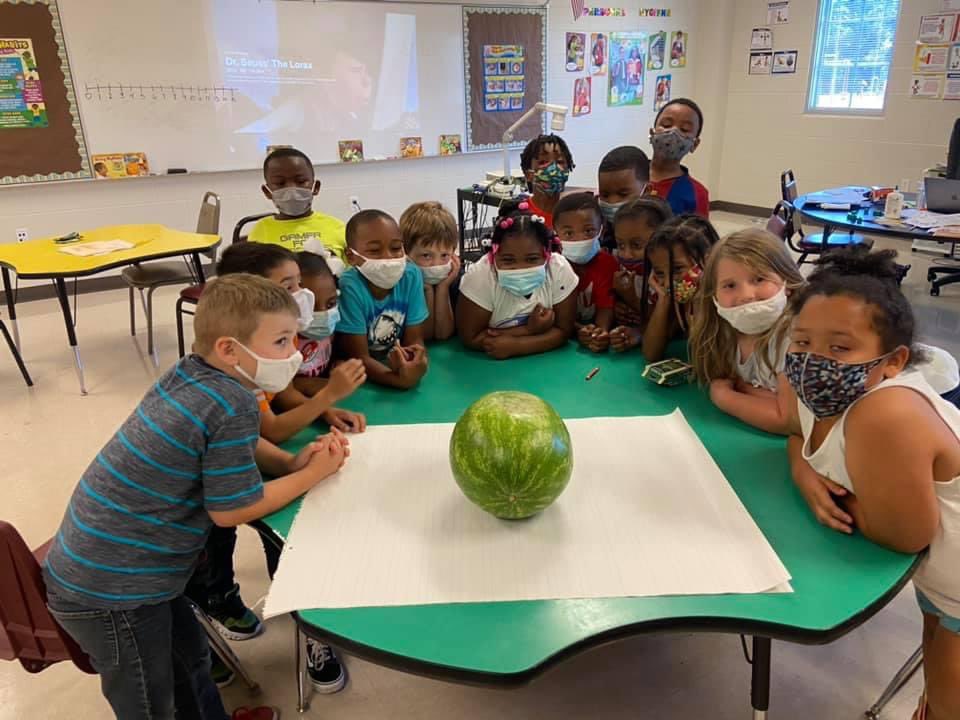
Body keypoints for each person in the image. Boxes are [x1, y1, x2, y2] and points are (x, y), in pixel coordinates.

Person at [43, 274, 349, 720]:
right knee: (152, 701)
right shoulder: (233, 402)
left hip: (130, 574)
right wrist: (315, 473)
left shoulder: (195, 372)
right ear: (229, 349)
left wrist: (288, 465)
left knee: (191, 660)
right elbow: (232, 511)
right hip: (112, 590)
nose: (297, 350)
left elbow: (222, 444)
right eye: (283, 340)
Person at [779, 248, 960, 720]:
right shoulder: (814, 393)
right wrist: (805, 474)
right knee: (937, 669)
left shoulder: (884, 412)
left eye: (839, 348)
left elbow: (904, 534)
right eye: (801, 343)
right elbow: (797, 436)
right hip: (942, 577)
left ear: (893, 361)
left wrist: (829, 489)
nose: (813, 360)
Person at [216, 243, 367, 442]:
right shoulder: (240, 356)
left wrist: (325, 412)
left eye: (300, 283)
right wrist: (328, 395)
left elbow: (285, 393)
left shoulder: (285, 334)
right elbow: (272, 430)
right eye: (288, 287)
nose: (304, 294)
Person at [688, 229, 804, 432]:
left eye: (759, 279)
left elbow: (789, 420)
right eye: (729, 285)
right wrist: (763, 398)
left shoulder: (793, 337)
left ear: (787, 282)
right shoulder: (722, 331)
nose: (746, 296)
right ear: (713, 295)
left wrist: (726, 397)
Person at [457, 200, 577, 360]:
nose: (520, 268)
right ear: (493, 255)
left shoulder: (558, 269)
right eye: (508, 260)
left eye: (532, 259)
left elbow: (564, 331)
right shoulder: (480, 277)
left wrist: (518, 346)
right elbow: (471, 337)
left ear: (546, 255)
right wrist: (529, 331)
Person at [337, 209, 429, 388]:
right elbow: (359, 356)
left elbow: (415, 339)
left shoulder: (411, 275)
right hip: (364, 375)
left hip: (393, 363)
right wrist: (398, 380)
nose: (388, 257)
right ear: (351, 257)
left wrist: (414, 358)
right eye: (374, 251)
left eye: (396, 248)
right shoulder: (349, 286)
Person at [249, 147, 348, 269]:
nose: (291, 189)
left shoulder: (337, 227)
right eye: (280, 183)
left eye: (300, 181)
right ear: (267, 192)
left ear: (315, 187)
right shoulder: (260, 231)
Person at [640, 214, 719, 362]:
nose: (668, 283)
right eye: (659, 273)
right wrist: (663, 300)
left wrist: (699, 304)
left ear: (708, 261)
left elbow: (708, 361)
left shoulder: (724, 300)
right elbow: (650, 354)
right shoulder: (676, 300)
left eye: (677, 269)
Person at [552, 192, 619, 353]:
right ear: (556, 234)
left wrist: (599, 332)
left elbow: (606, 305)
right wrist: (579, 330)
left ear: (601, 230)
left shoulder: (608, 264)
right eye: (569, 233)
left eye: (589, 231)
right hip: (562, 336)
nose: (580, 239)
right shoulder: (553, 266)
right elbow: (554, 309)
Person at [607, 198, 673, 353]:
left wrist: (632, 299)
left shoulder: (670, 276)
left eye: (636, 245)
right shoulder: (619, 266)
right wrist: (617, 308)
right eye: (621, 245)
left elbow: (670, 321)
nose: (627, 254)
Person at [400, 201, 461, 341]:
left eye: (444, 255)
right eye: (426, 256)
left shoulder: (457, 279)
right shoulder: (401, 281)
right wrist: (427, 290)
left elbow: (442, 334)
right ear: (407, 253)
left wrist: (443, 288)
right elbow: (424, 336)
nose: (436, 264)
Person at [292, 249, 348, 397]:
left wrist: (338, 365)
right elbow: (280, 389)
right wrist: (305, 384)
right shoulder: (285, 340)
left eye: (330, 304)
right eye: (310, 307)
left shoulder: (330, 329)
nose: (323, 313)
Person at [647, 98, 710, 218]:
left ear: (695, 144)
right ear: (652, 132)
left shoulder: (697, 193)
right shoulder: (629, 173)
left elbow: (699, 234)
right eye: (666, 125)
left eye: (684, 129)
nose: (673, 131)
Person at [519, 133, 575, 228]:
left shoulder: (574, 215)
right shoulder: (519, 216)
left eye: (560, 161)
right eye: (543, 162)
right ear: (528, 174)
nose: (553, 168)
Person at [597, 145, 651, 233]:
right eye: (605, 195)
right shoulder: (597, 230)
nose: (612, 202)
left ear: (646, 191)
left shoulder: (660, 236)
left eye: (623, 194)